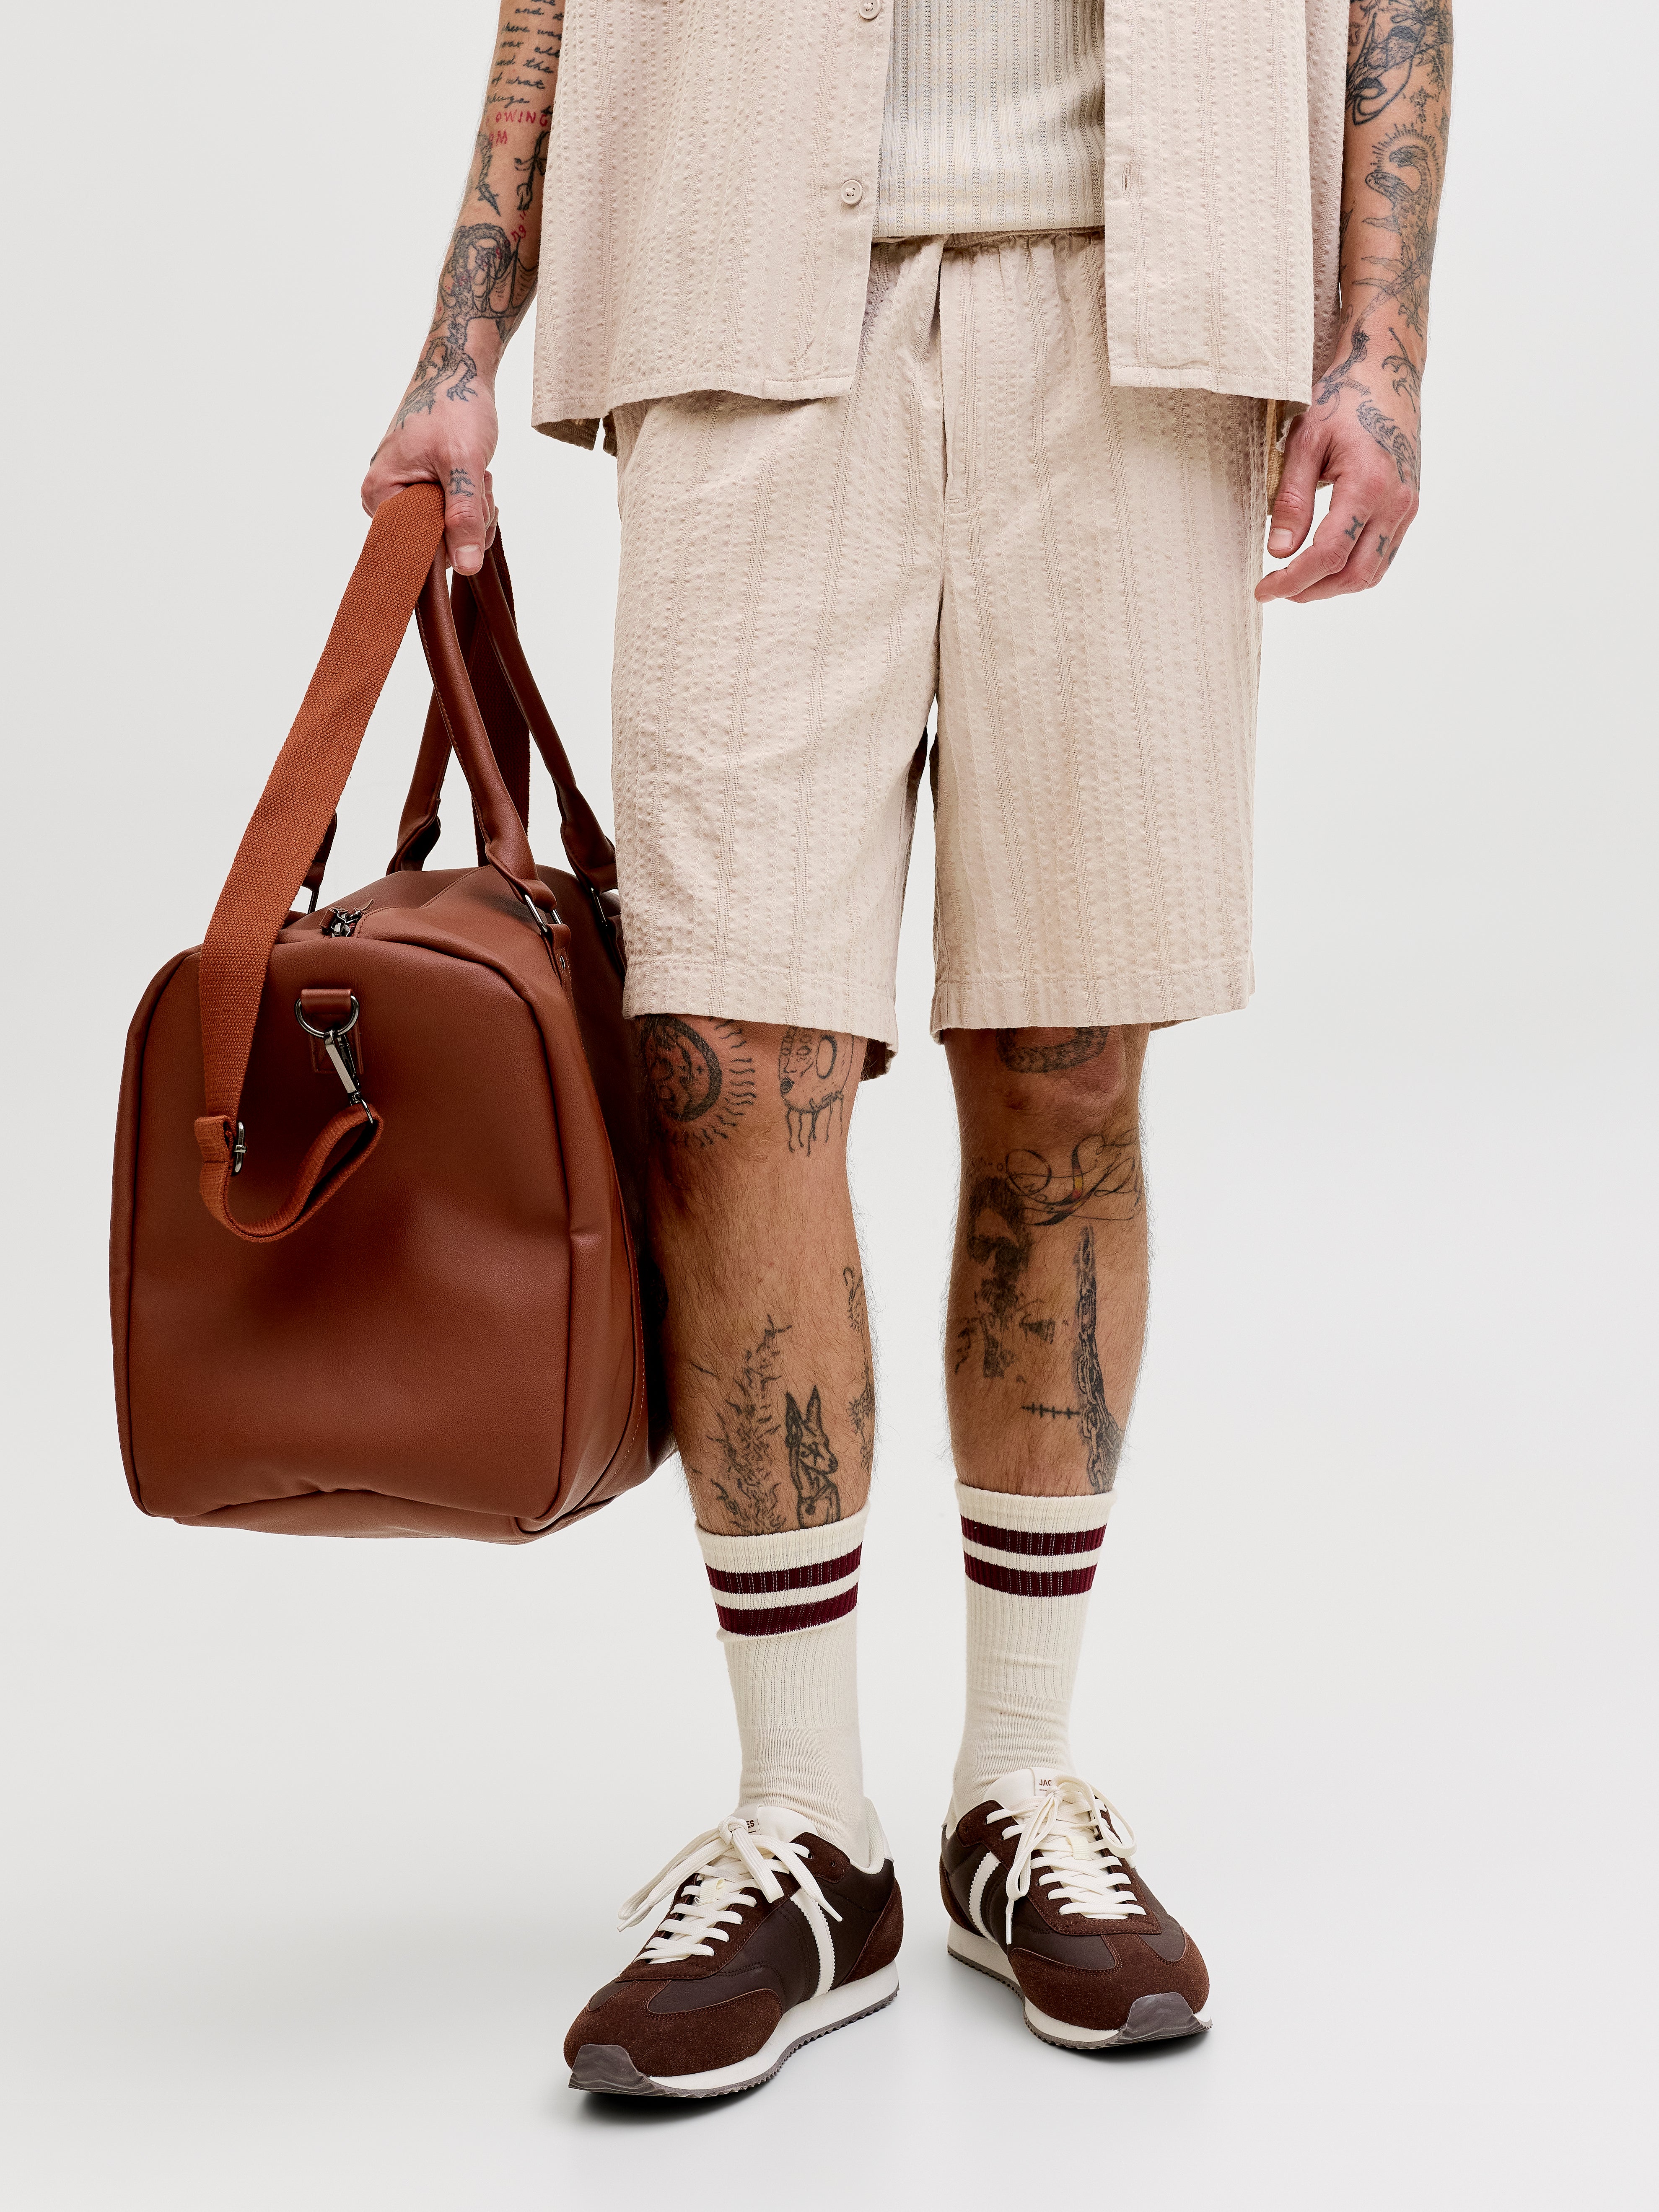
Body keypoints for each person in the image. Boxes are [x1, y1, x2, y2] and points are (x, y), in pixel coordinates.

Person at [363, 0, 1452, 2097]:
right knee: (723, 1063)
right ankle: (806, 1830)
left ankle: (1015, 1786)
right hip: (735, 291)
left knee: (1069, 1065)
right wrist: (457, 349)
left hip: (1151, 313)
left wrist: (1381, 345)